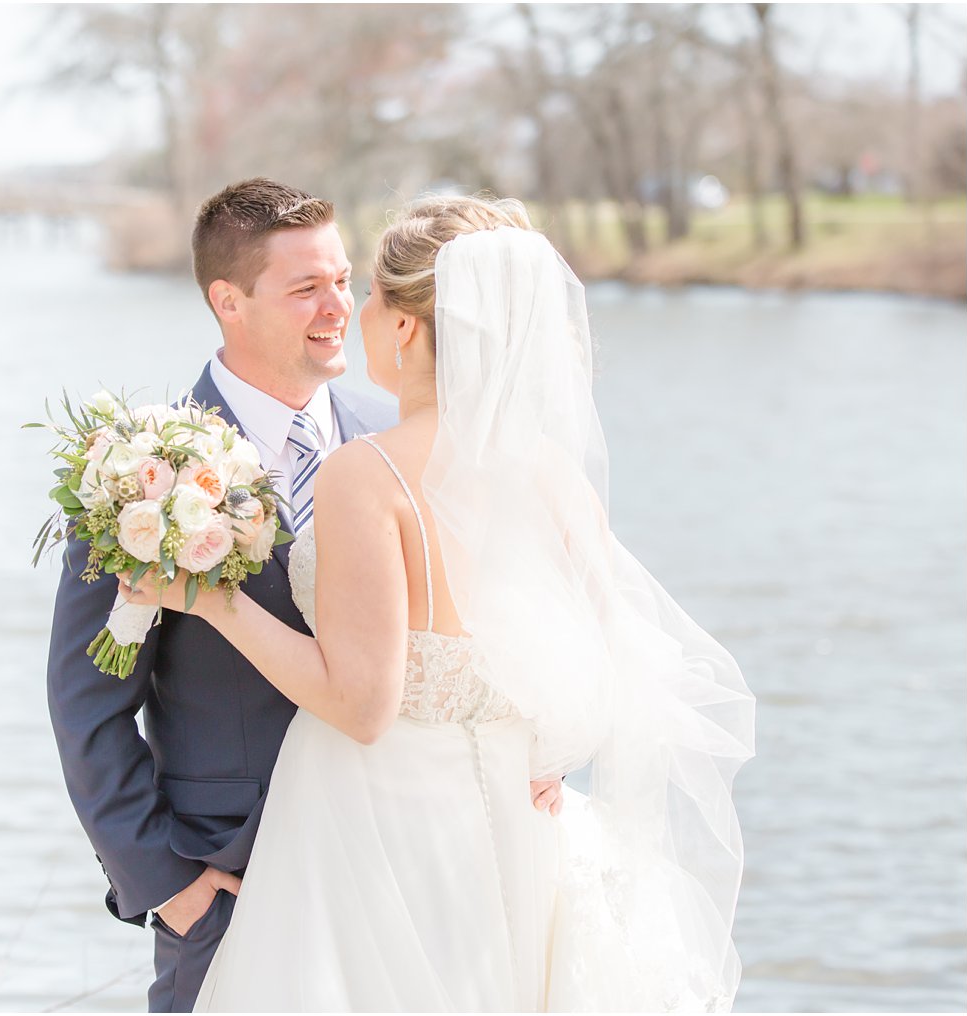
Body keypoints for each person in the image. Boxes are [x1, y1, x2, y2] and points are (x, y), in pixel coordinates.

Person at [118, 196, 757, 1011]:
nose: (356, 312)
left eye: (372, 295)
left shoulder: (368, 471)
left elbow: (362, 705)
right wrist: (553, 751)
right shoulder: (550, 474)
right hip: (519, 827)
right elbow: (613, 656)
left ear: (410, 329)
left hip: (375, 826)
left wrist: (208, 602)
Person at [46, 177, 395, 1013]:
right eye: (306, 287)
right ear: (228, 300)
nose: (337, 306)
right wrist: (172, 887)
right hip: (235, 880)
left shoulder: (390, 434)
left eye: (342, 280)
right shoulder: (137, 473)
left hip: (394, 861)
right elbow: (86, 703)